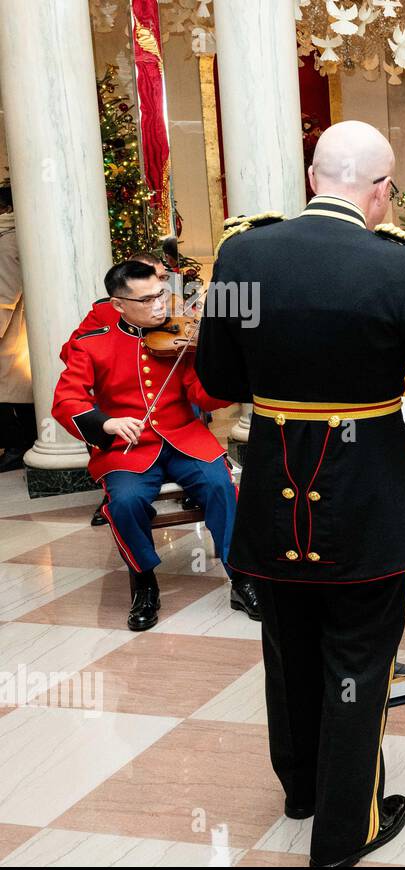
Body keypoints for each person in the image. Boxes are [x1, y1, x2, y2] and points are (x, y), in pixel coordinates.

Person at [196, 120, 405, 868]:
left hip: (274, 488)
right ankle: (346, 831)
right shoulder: (399, 266)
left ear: (314, 176)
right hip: (365, 501)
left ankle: (302, 792)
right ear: (380, 191)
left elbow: (218, 381)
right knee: (357, 664)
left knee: (289, 650)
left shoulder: (243, 253)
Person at [52, 259, 254, 631]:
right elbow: (66, 401)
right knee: (126, 502)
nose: (160, 304)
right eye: (146, 300)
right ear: (117, 304)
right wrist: (107, 423)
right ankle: (144, 582)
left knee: (219, 485)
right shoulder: (91, 344)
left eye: (161, 293)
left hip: (184, 437)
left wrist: (227, 379)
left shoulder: (180, 338)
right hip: (128, 449)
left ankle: (240, 578)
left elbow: (200, 395)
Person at [61, 251, 172, 525]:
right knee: (103, 412)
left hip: (167, 399)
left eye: (162, 279)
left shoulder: (175, 308)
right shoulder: (103, 312)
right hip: (122, 399)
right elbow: (70, 350)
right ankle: (114, 490)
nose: (156, 293)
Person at [0, 183, 34, 473]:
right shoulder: (24, 233)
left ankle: (15, 447)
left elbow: (5, 295)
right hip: (24, 325)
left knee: (10, 394)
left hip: (11, 328)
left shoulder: (7, 240)